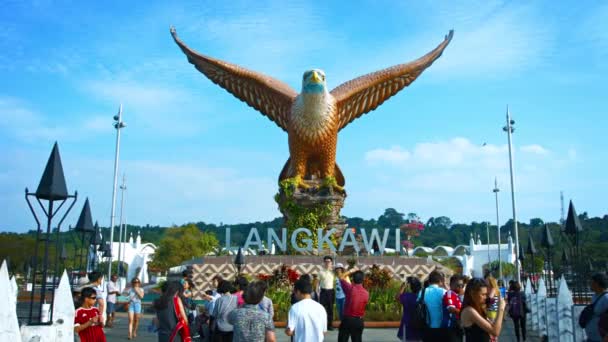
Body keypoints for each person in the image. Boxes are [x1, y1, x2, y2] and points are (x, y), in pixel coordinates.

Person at [460, 278, 506, 342]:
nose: (485, 297)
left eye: (486, 294)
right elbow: (495, 332)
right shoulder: (469, 311)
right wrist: (501, 309)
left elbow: (492, 327)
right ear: (472, 293)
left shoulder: (477, 308)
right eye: (483, 294)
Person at [285, 278, 327, 342]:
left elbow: (289, 332)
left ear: (298, 292)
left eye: (294, 292)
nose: (295, 295)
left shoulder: (295, 308)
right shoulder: (321, 308)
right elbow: (324, 332)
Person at [338, 270, 369, 342]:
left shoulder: (350, 288)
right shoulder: (366, 293)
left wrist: (351, 270)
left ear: (353, 279)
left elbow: (341, 277)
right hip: (359, 321)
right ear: (363, 280)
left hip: (347, 320)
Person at [420, 270, 447, 341]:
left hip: (425, 327)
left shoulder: (422, 292)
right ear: (441, 281)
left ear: (429, 280)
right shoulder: (443, 292)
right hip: (441, 326)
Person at [583, 272, 608, 342]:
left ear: (597, 283)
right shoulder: (594, 296)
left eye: (592, 282)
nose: (590, 284)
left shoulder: (606, 298)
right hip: (591, 338)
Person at [397, 276, 422, 342]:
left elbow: (398, 297)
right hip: (420, 324)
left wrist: (403, 287)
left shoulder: (407, 296)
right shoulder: (422, 296)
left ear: (411, 287)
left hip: (407, 323)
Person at [442, 275, 465, 342]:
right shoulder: (450, 293)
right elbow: (451, 309)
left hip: (457, 326)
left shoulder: (456, 295)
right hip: (451, 327)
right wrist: (465, 313)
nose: (461, 287)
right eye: (458, 285)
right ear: (451, 285)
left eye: (462, 285)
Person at [319, 256, 336, 330]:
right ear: (324, 262)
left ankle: (330, 325)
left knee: (330, 309)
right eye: (326, 261)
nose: (327, 263)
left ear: (331, 263)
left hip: (331, 292)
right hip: (323, 292)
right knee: (321, 309)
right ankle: (322, 325)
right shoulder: (321, 272)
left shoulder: (334, 272)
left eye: (329, 261)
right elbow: (317, 283)